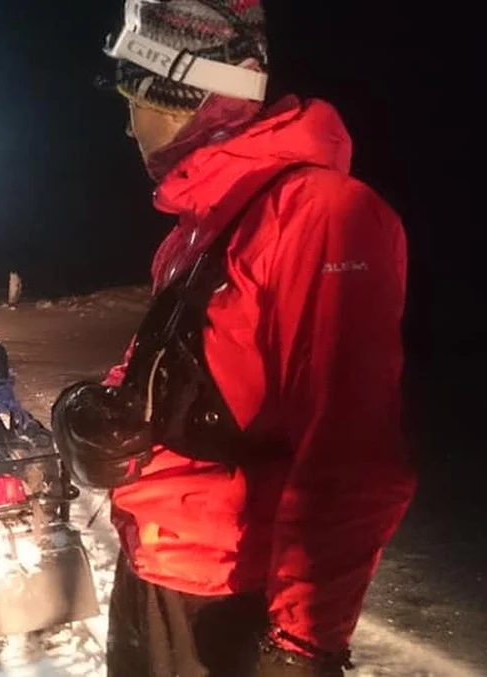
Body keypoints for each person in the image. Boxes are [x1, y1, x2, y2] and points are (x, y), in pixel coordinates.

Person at [51, 1, 417, 675]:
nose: (129, 127)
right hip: (154, 570)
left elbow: (354, 456)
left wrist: (303, 647)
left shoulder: (323, 216)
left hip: (227, 602)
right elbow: (157, 373)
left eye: (133, 97)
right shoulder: (195, 232)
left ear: (184, 94)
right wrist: (87, 412)